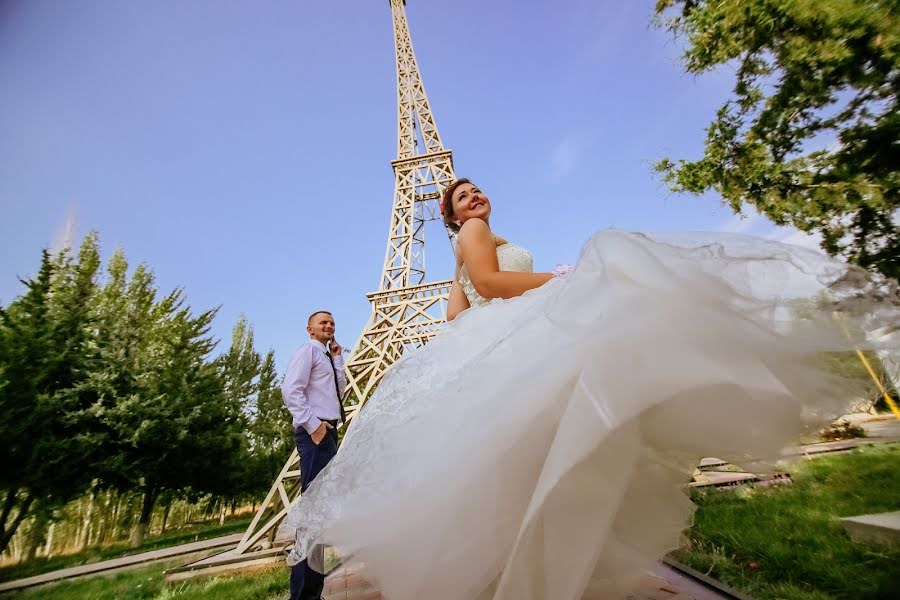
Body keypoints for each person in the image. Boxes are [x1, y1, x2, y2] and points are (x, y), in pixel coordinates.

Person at [283, 180, 892, 599]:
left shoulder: (469, 242)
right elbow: (493, 285)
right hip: (518, 315)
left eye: (474, 190)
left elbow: (455, 312)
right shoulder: (472, 234)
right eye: (460, 196)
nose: (471, 197)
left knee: (525, 447)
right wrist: (565, 279)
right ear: (451, 214)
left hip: (508, 327)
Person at [282, 310, 346, 600]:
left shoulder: (326, 356)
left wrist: (338, 359)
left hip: (328, 432)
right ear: (310, 329)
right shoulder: (307, 350)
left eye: (332, 322)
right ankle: (302, 595)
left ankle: (312, 592)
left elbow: (339, 394)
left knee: (318, 514)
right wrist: (313, 426)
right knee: (311, 514)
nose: (329, 326)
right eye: (323, 322)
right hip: (316, 434)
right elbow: (290, 390)